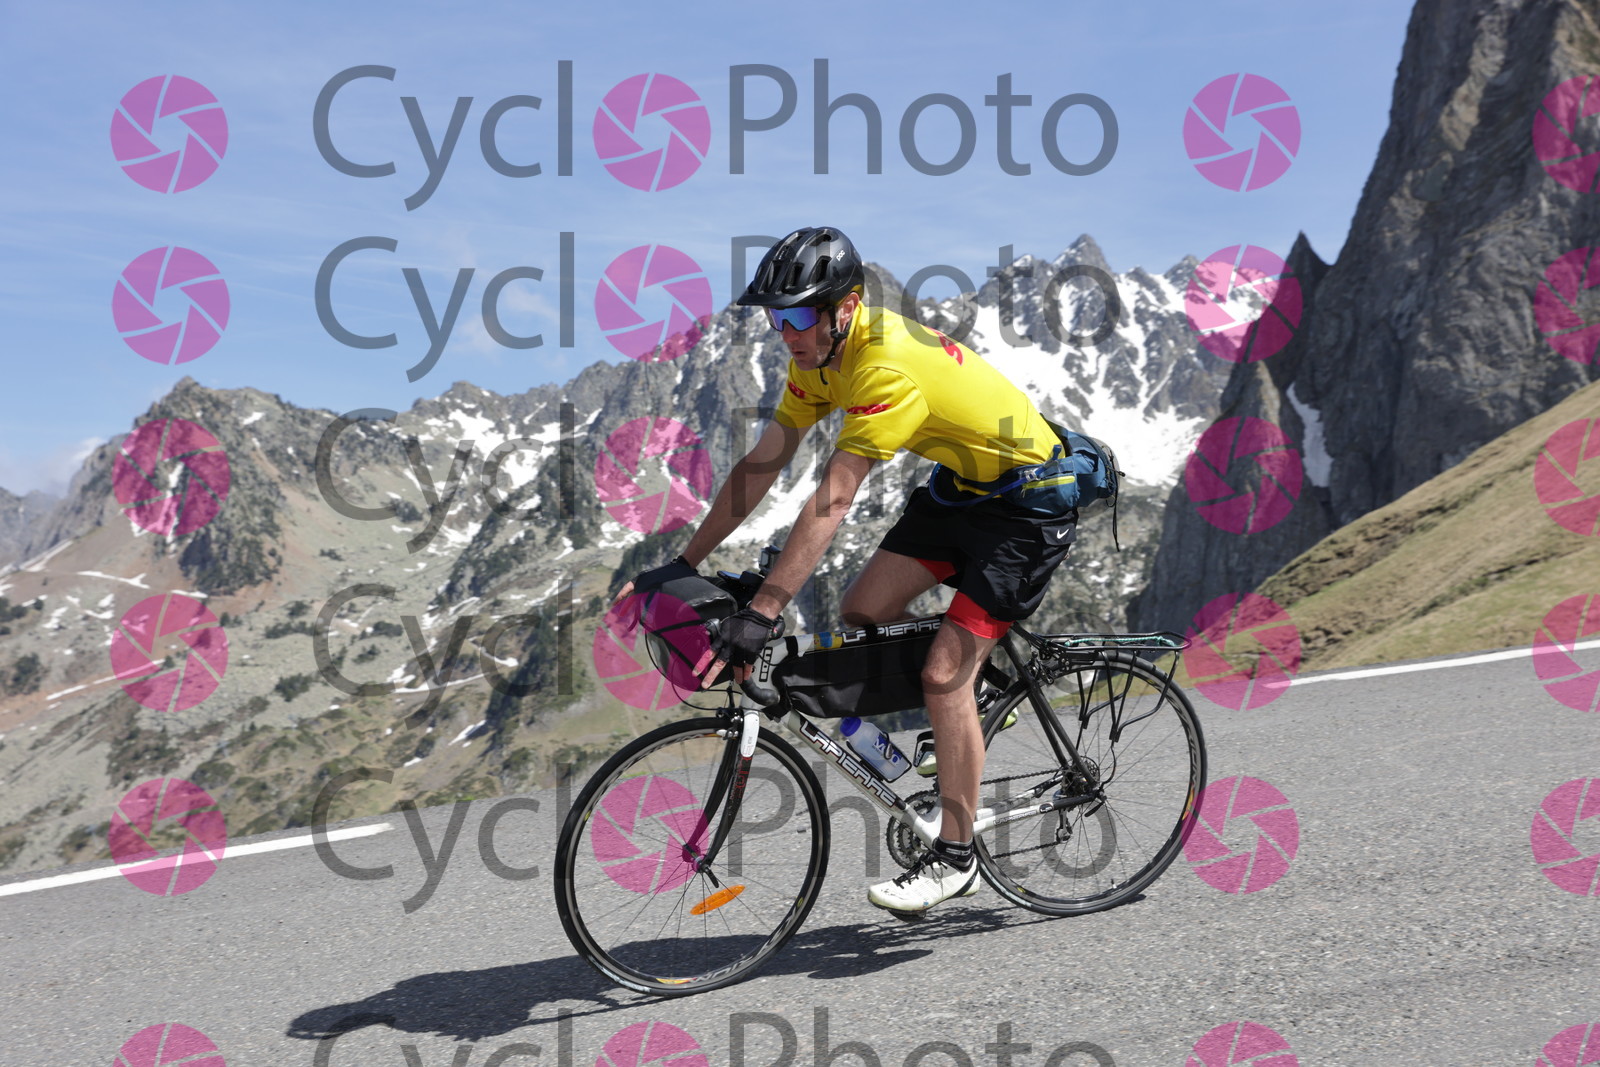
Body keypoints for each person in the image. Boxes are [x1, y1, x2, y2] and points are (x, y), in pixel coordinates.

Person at [617, 225, 1080, 912]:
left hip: (1030, 504)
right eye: (777, 319)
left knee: (942, 673)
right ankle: (976, 700)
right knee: (863, 611)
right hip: (964, 490)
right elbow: (761, 465)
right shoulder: (817, 359)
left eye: (799, 317)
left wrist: (764, 610)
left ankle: (957, 857)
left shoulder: (884, 364)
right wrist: (682, 563)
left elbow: (834, 498)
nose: (787, 334)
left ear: (846, 308)